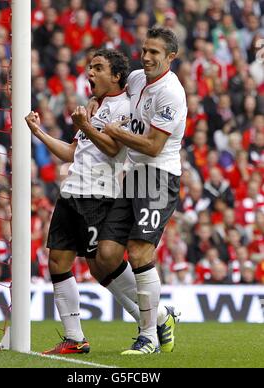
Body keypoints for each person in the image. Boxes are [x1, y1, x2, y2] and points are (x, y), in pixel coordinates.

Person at [26, 48, 177, 356]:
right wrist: (38, 133)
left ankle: (155, 317)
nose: (90, 73)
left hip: (98, 195)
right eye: (89, 67)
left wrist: (84, 125)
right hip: (71, 192)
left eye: (97, 68)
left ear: (116, 75)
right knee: (57, 260)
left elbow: (112, 149)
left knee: (102, 265)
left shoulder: (125, 108)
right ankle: (74, 337)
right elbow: (72, 153)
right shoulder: (93, 107)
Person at [88, 27, 186, 355]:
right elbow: (111, 91)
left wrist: (115, 130)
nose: (146, 57)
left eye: (154, 53)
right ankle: (159, 315)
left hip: (159, 176)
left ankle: (148, 338)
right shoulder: (135, 79)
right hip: (135, 175)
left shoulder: (171, 93)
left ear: (170, 57)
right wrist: (93, 99)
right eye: (144, 50)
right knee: (106, 254)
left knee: (140, 250)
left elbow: (154, 146)